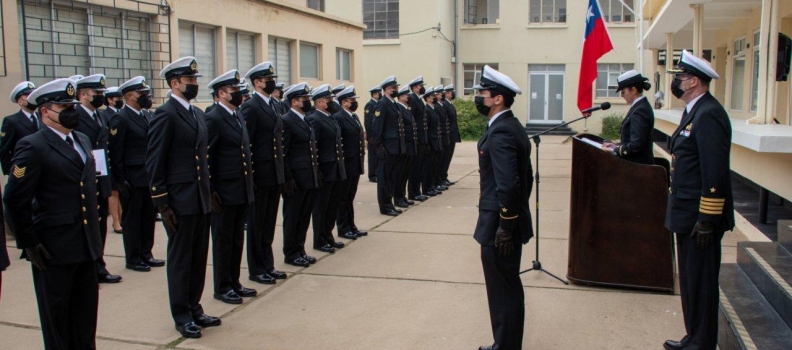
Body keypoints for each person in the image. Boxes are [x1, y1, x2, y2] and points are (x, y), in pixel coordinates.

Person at [4, 78, 104, 349]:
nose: (71, 110)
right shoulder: (32, 145)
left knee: (85, 317)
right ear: (45, 111)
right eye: (64, 106)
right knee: (57, 319)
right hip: (55, 246)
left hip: (86, 243)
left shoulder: (81, 138)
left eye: (72, 104)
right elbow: (14, 198)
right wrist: (28, 241)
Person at [663, 50, 734, 350]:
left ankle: (702, 344)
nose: (675, 83)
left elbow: (714, 173)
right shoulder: (695, 110)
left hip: (699, 219)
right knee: (691, 282)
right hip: (686, 213)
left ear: (693, 81)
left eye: (679, 78)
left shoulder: (710, 114)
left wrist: (707, 220)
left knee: (702, 284)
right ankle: (693, 337)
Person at [147, 56, 220, 339]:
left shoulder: (195, 113)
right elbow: (155, 160)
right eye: (190, 81)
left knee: (199, 256)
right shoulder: (165, 114)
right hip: (179, 200)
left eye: (195, 80)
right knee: (181, 259)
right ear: (174, 83)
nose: (194, 85)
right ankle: (181, 314)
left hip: (199, 197)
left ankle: (195, 307)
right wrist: (162, 202)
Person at [473, 65, 533, 350]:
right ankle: (508, 343)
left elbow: (509, 185)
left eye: (483, 93)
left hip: (499, 226)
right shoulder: (512, 126)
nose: (479, 98)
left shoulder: (501, 133)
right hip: (504, 221)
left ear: (498, 99)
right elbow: (527, 178)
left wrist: (506, 225)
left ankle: (505, 346)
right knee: (507, 286)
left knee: (502, 289)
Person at [205, 70, 257, 305]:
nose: (238, 94)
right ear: (221, 93)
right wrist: (212, 189)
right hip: (224, 191)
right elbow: (207, 157)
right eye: (234, 91)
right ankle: (222, 286)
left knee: (236, 238)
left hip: (240, 188)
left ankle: (234, 281)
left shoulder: (236, 114)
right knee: (223, 240)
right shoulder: (214, 117)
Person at [109, 76, 164, 272]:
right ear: (130, 96)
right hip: (132, 178)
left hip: (149, 176)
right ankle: (133, 257)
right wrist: (120, 180)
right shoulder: (121, 118)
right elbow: (115, 153)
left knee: (148, 217)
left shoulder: (147, 115)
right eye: (142, 94)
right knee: (133, 219)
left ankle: (146, 253)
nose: (146, 97)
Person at [241, 61, 288, 285]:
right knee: (257, 223)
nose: (272, 83)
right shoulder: (250, 107)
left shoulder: (274, 105)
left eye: (272, 79)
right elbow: (246, 144)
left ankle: (268, 264)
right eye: (267, 80)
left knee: (268, 223)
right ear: (257, 82)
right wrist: (251, 175)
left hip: (274, 173)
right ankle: (256, 268)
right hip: (260, 174)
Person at [73, 74, 122, 284]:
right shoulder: (74, 116)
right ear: (83, 95)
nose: (101, 97)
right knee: (85, 226)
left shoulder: (100, 116)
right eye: (97, 93)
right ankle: (88, 268)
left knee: (100, 222)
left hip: (101, 176)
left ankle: (99, 265)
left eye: (102, 93)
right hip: (83, 178)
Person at [281, 82, 320, 267]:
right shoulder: (287, 121)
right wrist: (288, 178)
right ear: (294, 101)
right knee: (293, 217)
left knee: (304, 216)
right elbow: (284, 153)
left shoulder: (305, 119)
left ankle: (300, 249)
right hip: (296, 179)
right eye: (304, 99)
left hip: (309, 176)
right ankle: (291, 252)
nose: (308, 102)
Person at [307, 84, 347, 253]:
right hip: (325, 168)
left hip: (335, 167)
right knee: (321, 207)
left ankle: (328, 236)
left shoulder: (330, 117)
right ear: (319, 102)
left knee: (332, 205)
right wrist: (317, 171)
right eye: (328, 100)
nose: (332, 103)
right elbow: (313, 147)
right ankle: (319, 239)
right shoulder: (315, 119)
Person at [332, 86, 367, 240]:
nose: (354, 103)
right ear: (343, 102)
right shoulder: (339, 117)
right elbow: (338, 141)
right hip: (346, 162)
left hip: (355, 162)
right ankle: (343, 227)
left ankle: (351, 225)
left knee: (350, 197)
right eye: (351, 100)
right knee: (343, 197)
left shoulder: (353, 116)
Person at [602, 70, 655, 165]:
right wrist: (616, 146)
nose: (622, 96)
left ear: (633, 90)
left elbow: (636, 146)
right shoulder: (639, 107)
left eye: (623, 92)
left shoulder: (640, 110)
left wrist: (617, 150)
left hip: (638, 166)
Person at [372, 76, 406, 216]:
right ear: (387, 89)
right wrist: (378, 145)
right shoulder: (382, 104)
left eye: (397, 88)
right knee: (384, 178)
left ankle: (390, 203)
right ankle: (385, 206)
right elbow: (377, 126)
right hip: (386, 146)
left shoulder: (394, 104)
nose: (396, 90)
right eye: (394, 88)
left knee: (391, 177)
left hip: (395, 146)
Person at [102, 86, 124, 234]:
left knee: (119, 191)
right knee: (113, 191)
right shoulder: (105, 115)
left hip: (119, 157)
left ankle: (121, 218)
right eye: (117, 98)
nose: (120, 101)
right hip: (109, 157)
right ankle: (116, 222)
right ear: (109, 100)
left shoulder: (121, 114)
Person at [394, 84, 416, 208]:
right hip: (404, 146)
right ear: (400, 97)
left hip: (409, 145)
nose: (408, 97)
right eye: (406, 95)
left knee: (405, 173)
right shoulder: (399, 108)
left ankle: (402, 196)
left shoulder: (406, 109)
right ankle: (398, 198)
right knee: (400, 174)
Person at [407, 77, 429, 202]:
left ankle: (416, 191)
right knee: (415, 167)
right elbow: (412, 119)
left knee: (419, 166)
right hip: (417, 138)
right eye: (420, 86)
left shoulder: (418, 99)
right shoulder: (413, 99)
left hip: (421, 138)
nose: (422, 88)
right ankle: (413, 192)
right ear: (415, 87)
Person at [422, 87, 443, 197]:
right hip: (431, 141)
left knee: (434, 165)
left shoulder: (433, 109)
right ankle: (427, 188)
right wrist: (427, 143)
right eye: (432, 96)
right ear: (428, 99)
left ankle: (432, 186)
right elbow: (426, 128)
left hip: (436, 141)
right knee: (428, 167)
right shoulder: (427, 109)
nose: (434, 98)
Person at [441, 84, 460, 186]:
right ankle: (442, 177)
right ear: (446, 94)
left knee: (448, 157)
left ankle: (444, 176)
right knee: (445, 158)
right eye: (449, 92)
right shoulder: (445, 104)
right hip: (447, 135)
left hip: (452, 134)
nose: (452, 94)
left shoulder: (449, 104)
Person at [364, 86, 382, 182]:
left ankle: (377, 173)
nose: (380, 95)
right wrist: (370, 136)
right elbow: (368, 122)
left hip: (377, 135)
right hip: (372, 136)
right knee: (372, 155)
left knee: (377, 155)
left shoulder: (378, 104)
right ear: (374, 95)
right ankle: (372, 175)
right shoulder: (370, 105)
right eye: (379, 93)